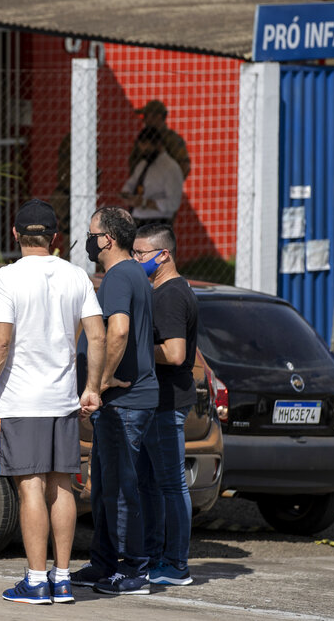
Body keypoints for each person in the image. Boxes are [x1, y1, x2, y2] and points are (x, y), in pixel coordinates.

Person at [0, 199, 106, 605]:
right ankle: (62, 578)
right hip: (63, 398)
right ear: (56, 239)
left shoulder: (7, 277)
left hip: (21, 400)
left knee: (30, 488)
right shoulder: (77, 276)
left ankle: (35, 579)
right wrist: (92, 387)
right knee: (62, 485)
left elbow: (1, 339)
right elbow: (97, 336)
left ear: (15, 234)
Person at [73, 206, 158, 596]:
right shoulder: (130, 274)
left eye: (92, 234)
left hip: (125, 401)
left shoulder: (119, 277)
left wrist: (100, 382)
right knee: (107, 485)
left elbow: (118, 331)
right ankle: (105, 563)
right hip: (123, 402)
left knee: (121, 488)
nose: (89, 241)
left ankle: (133, 570)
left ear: (107, 238)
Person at [133, 223, 198, 586]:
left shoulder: (171, 294)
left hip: (166, 402)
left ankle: (175, 564)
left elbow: (175, 354)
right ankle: (154, 557)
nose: (136, 259)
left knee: (171, 484)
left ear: (164, 254)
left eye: (141, 254)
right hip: (156, 402)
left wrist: (136, 350)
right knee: (149, 483)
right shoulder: (162, 289)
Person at [120, 126, 183, 228]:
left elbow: (173, 203)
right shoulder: (143, 164)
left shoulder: (171, 168)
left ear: (158, 144)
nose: (143, 151)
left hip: (157, 221)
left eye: (146, 147)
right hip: (137, 218)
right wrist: (127, 194)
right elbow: (131, 184)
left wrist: (145, 203)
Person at [129, 100, 190, 178]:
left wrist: (169, 184)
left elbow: (184, 166)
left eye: (146, 116)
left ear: (158, 117)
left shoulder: (172, 139)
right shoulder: (143, 138)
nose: (144, 120)